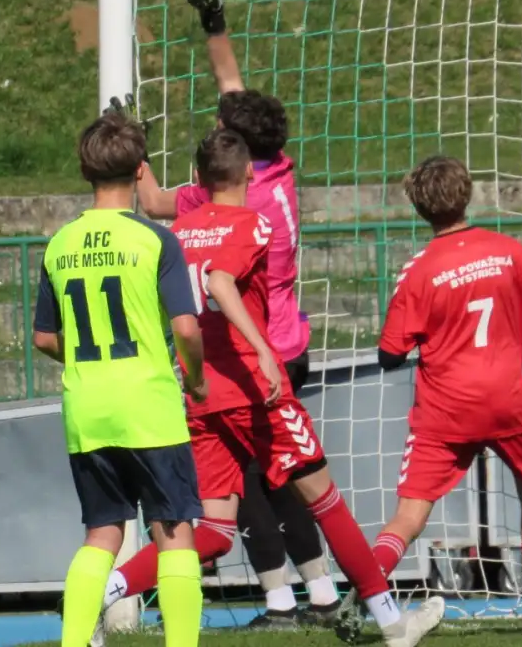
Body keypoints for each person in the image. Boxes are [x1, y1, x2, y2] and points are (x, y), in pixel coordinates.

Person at [107, 130, 446, 647]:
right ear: (247, 174)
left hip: (201, 395)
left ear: (197, 179)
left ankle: (105, 587)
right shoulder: (252, 222)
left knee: (216, 533)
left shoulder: (177, 231)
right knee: (326, 501)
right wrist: (264, 350)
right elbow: (221, 283)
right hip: (254, 392)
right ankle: (392, 625)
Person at [137, 0, 337, 626]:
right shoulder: (277, 171)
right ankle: (326, 592)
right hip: (290, 346)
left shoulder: (204, 200)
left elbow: (152, 201)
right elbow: (234, 89)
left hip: (243, 356)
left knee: (247, 484)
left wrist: (131, 155)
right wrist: (215, 21)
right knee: (292, 476)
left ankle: (279, 596)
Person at [349, 154, 522, 637]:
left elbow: (390, 354)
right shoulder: (509, 251)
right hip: (507, 401)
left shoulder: (417, 271)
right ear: (468, 193)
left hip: (445, 409)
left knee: (409, 515)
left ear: (418, 207)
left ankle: (368, 595)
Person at [34, 111, 207, 647]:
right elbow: (185, 327)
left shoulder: (59, 244)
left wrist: (90, 358)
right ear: (140, 171)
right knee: (175, 534)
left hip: (87, 410)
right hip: (149, 407)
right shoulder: (155, 240)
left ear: (86, 173)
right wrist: (196, 378)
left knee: (101, 535)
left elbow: (43, 337)